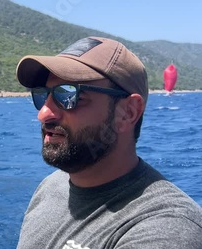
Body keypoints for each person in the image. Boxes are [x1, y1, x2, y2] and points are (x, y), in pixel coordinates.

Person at [15, 36, 202, 248]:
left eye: (68, 96)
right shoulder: (49, 187)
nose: (44, 114)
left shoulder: (167, 228)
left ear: (128, 112)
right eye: (42, 95)